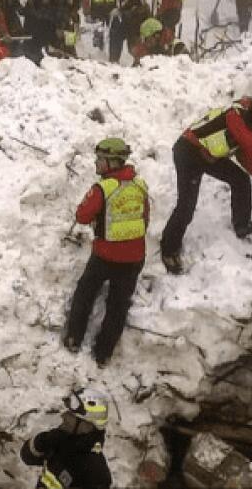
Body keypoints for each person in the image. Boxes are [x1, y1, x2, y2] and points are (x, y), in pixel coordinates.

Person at [159, 94, 252, 273]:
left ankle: (242, 225)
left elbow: (246, 156)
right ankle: (169, 249)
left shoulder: (248, 126)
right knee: (186, 207)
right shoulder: (236, 116)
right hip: (188, 152)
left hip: (208, 156)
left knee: (240, 180)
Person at [64, 138, 150, 367]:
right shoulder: (140, 185)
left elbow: (82, 216)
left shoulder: (103, 188)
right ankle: (103, 354)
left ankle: (74, 338)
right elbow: (145, 219)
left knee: (85, 293)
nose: (96, 163)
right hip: (134, 258)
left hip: (105, 256)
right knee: (118, 307)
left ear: (113, 162)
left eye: (100, 160)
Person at [19, 388, 112, 489]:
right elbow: (28, 457)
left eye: (71, 415)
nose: (64, 416)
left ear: (86, 426)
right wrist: (42, 441)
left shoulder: (95, 472)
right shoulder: (63, 440)